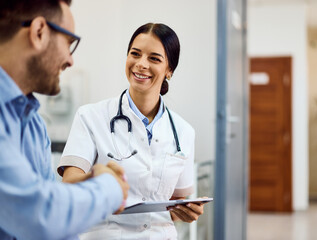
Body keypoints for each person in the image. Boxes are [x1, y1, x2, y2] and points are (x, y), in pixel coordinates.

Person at [58, 23, 207, 239]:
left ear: (169, 70)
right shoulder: (90, 116)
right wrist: (98, 180)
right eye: (134, 54)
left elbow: (176, 206)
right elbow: (70, 188)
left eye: (154, 58)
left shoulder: (183, 132)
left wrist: (187, 211)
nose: (141, 64)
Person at [0, 1, 129, 239]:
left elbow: (50, 215)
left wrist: (91, 182)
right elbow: (40, 215)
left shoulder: (33, 125)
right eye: (69, 43)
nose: (71, 61)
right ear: (39, 32)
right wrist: (109, 188)